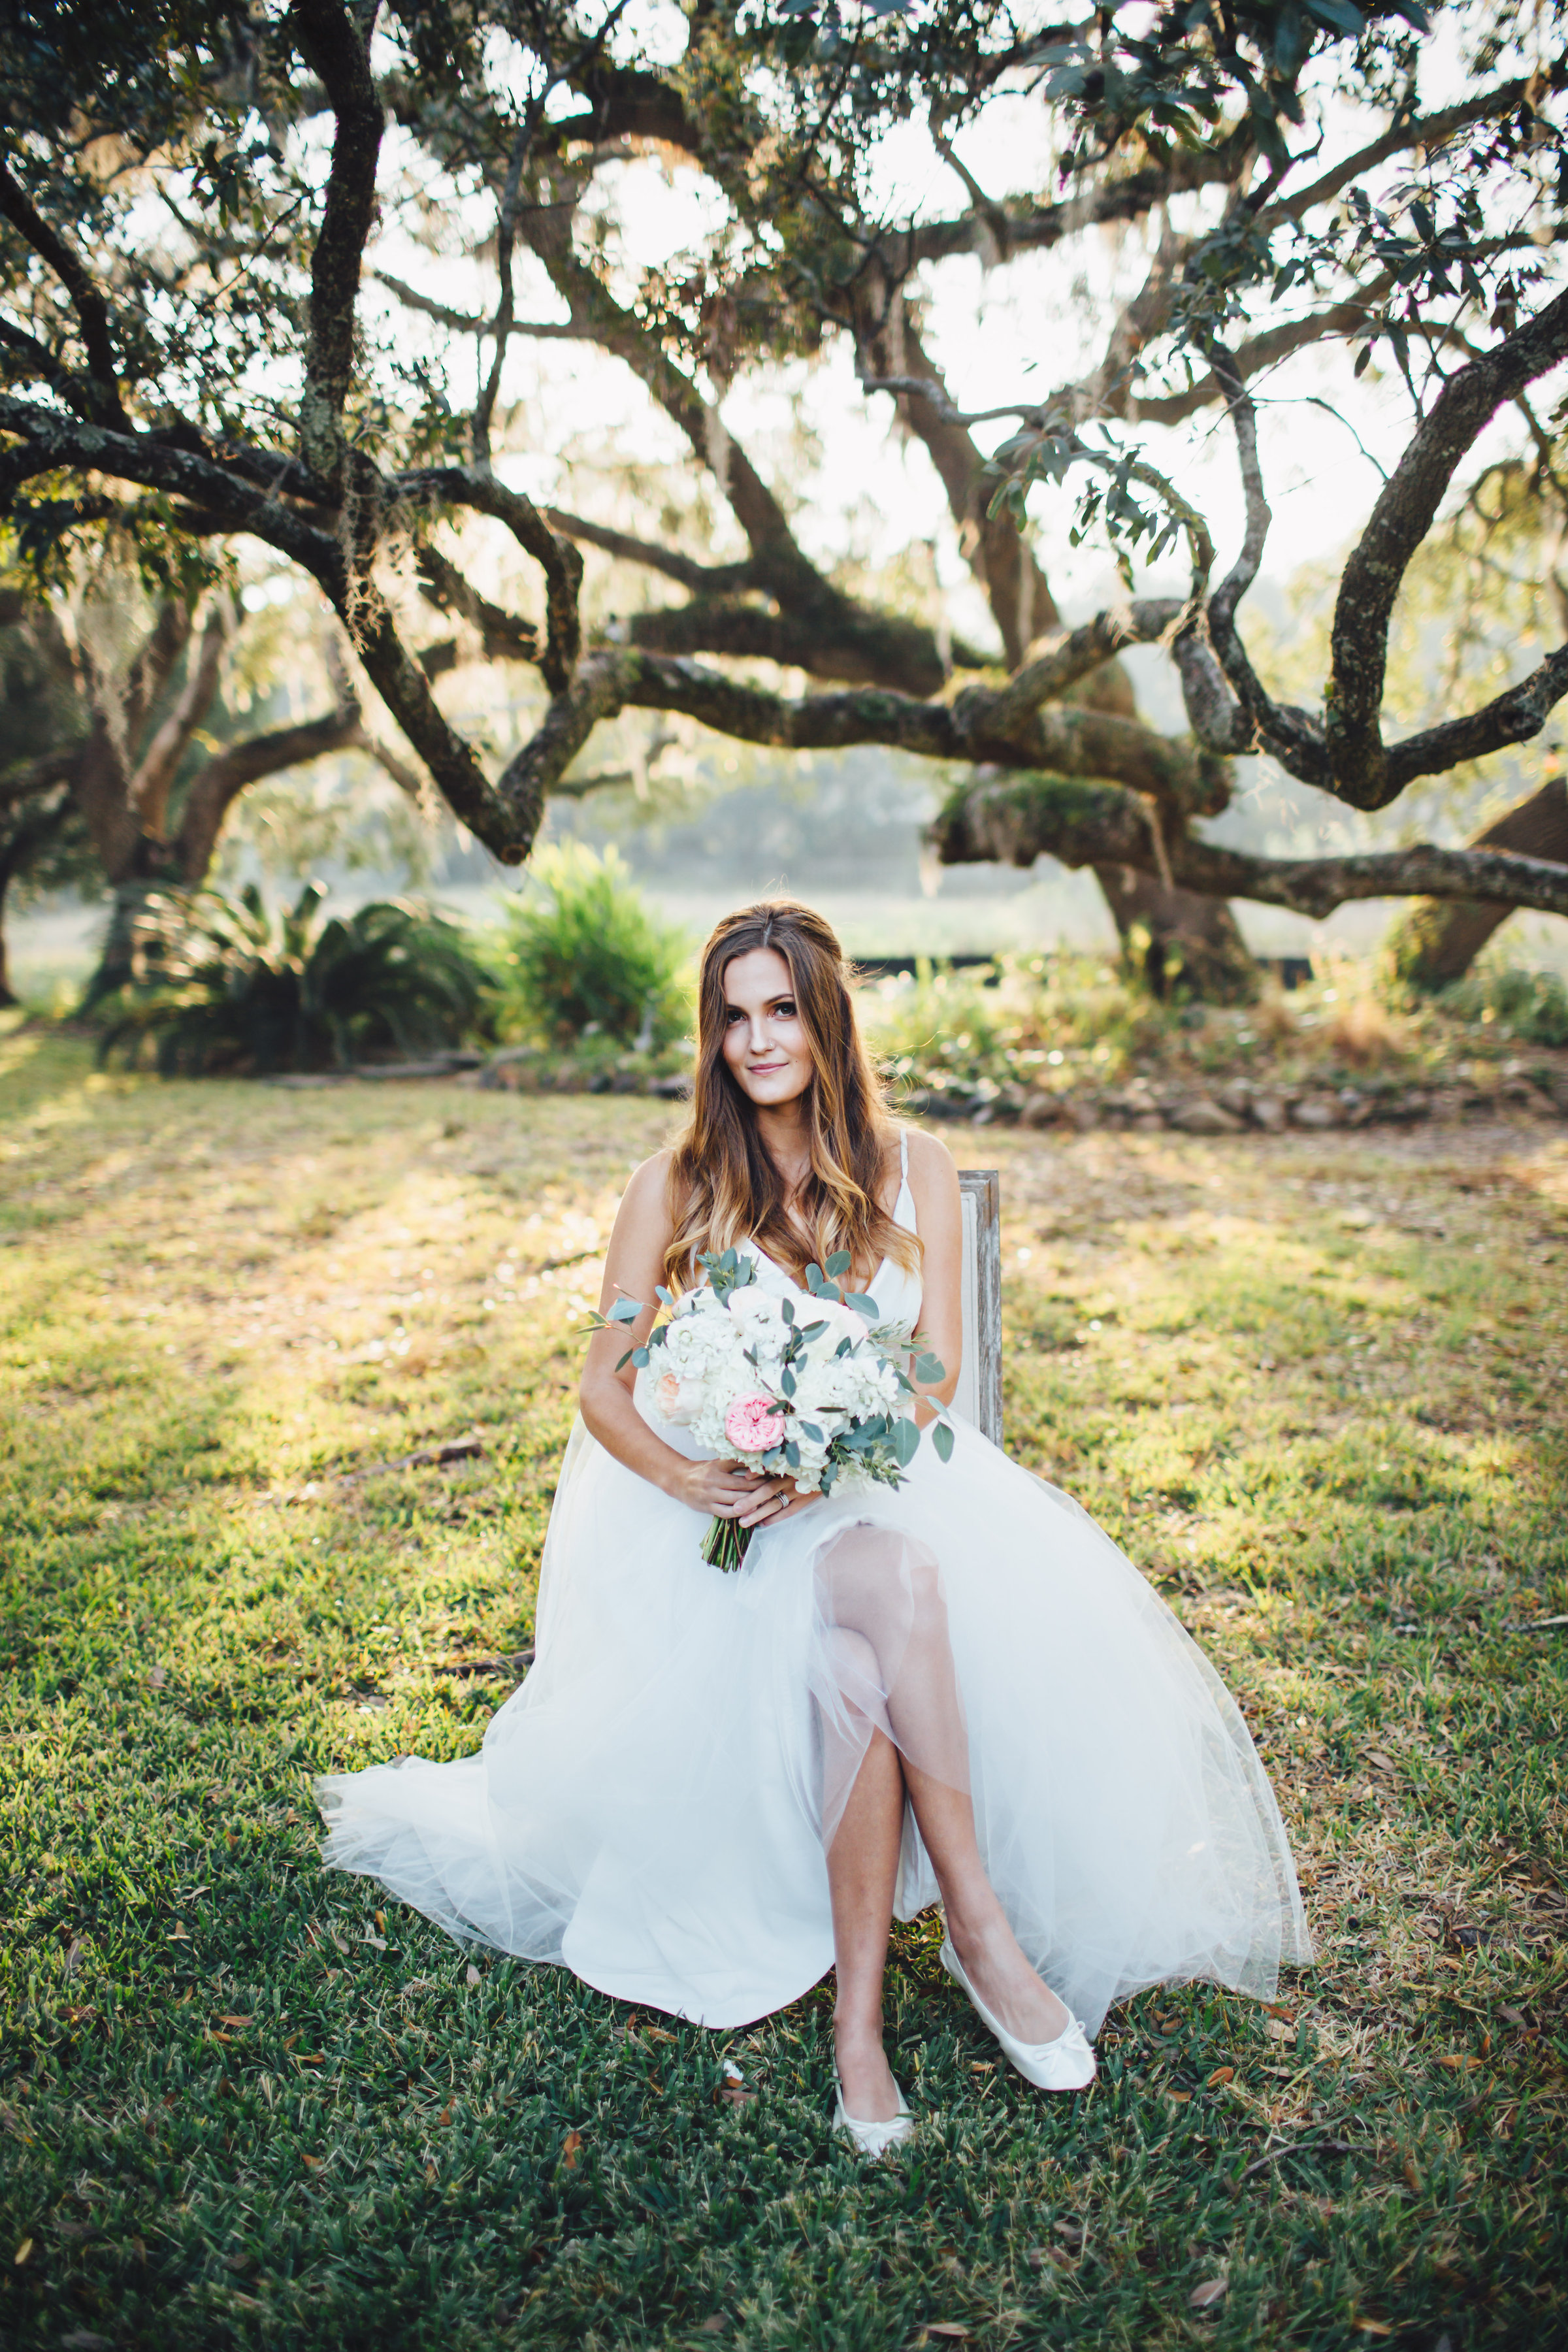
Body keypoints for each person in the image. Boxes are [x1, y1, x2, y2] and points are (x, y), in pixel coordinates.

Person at [318, 900, 1311, 2157]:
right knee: (894, 1590)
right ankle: (978, 1928)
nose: (757, 1039)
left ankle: (861, 2023)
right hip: (734, 1530)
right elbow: (600, 1382)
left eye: (781, 1009)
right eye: (733, 1017)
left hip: (878, 1489)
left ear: (825, 1015)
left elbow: (936, 1373)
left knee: (867, 1635)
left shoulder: (919, 1168)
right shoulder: (674, 1185)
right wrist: (699, 1478)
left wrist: (828, 1437)